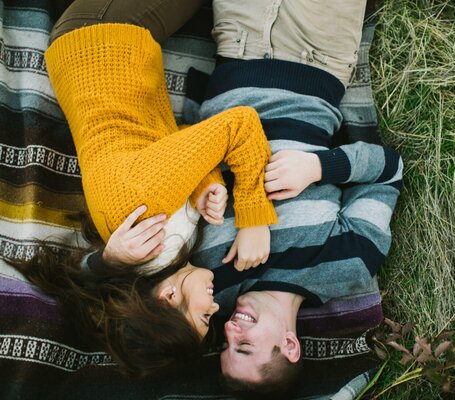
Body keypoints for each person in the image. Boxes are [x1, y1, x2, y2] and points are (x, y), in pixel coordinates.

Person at [103, 0, 403, 396]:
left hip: (236, 44)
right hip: (319, 53)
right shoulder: (348, 264)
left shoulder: (211, 281)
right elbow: (388, 171)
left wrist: (108, 261)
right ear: (290, 345)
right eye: (244, 345)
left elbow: (129, 298)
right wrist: (318, 168)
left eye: (225, 343)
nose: (228, 329)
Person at [11, 0, 278, 377]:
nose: (217, 307)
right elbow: (181, 143)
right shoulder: (156, 247)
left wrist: (254, 219)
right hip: (110, 54)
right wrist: (206, 183)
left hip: (103, 37)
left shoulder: (146, 208)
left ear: (169, 298)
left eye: (205, 316)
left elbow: (239, 125)